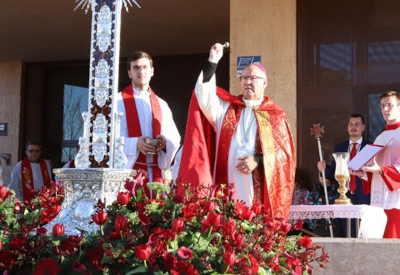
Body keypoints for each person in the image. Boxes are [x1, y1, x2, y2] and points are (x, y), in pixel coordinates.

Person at [178, 43, 296, 219]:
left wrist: (258, 160)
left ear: (264, 83)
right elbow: (203, 96)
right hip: (226, 187)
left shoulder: (273, 115)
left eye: (253, 78)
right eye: (244, 78)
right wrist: (212, 61)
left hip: (257, 191)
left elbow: (285, 155)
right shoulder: (227, 109)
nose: (248, 81)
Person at [356, 91, 400, 239]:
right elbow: (375, 167)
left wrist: (379, 170)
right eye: (382, 106)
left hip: (399, 201)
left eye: (389, 105)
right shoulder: (380, 137)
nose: (385, 109)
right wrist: (362, 172)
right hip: (379, 202)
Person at [115, 51, 180, 192]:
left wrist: (164, 143)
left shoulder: (161, 104)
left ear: (152, 71)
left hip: (155, 174)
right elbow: (106, 140)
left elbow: (174, 137)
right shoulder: (116, 102)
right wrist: (134, 144)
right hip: (129, 172)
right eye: (136, 68)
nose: (141, 71)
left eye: (145, 67)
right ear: (129, 73)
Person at [317, 113, 370, 237]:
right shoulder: (340, 147)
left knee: (365, 234)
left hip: (365, 196)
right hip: (344, 196)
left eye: (357, 124)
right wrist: (322, 170)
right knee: (349, 234)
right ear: (347, 127)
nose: (353, 127)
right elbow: (333, 173)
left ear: (363, 127)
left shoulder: (370, 146)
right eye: (351, 124)